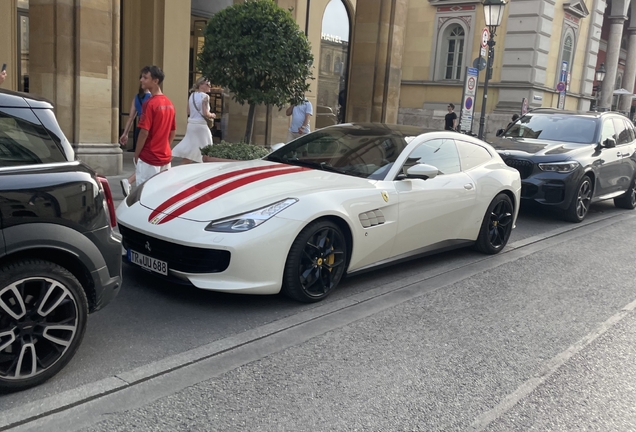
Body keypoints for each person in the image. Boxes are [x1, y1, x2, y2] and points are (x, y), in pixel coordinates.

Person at [125, 65, 176, 194]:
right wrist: (165, 147)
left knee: (145, 194)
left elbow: (144, 132)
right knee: (161, 194)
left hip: (149, 157)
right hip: (164, 156)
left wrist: (137, 154)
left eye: (145, 77)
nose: (141, 80)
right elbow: (172, 131)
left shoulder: (150, 103)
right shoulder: (169, 103)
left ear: (155, 81)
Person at [171, 77, 216, 164]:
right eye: (208, 84)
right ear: (201, 85)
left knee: (189, 147)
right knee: (208, 147)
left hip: (191, 125)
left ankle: (167, 160)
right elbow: (205, 113)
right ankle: (206, 170)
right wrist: (212, 115)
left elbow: (188, 111)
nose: (209, 86)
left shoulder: (192, 95)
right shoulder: (205, 96)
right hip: (201, 126)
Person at [120, 82, 151, 152]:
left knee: (139, 152)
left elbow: (131, 117)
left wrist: (125, 133)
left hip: (139, 126)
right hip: (149, 127)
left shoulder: (136, 97)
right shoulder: (151, 97)